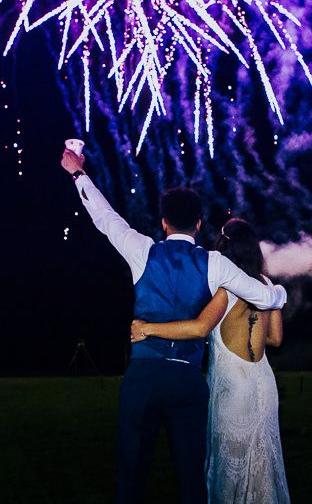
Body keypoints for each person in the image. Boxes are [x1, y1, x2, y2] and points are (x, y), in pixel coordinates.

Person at [60, 149, 287, 504]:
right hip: (187, 381)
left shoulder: (142, 250)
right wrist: (279, 292)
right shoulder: (214, 264)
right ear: (199, 224)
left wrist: (78, 174)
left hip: (143, 378)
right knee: (191, 480)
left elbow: (103, 216)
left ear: (164, 222)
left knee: (131, 477)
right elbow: (267, 297)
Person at [131, 218, 291, 504]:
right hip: (264, 383)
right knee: (262, 463)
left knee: (229, 464)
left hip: (232, 385)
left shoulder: (225, 288)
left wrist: (147, 328)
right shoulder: (267, 286)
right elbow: (275, 339)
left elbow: (199, 327)